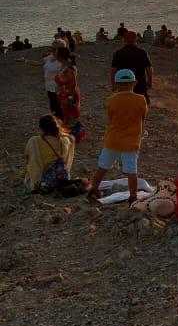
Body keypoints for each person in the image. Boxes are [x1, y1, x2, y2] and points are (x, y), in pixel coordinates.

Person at [88, 69, 148, 207]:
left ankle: (93, 189)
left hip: (112, 140)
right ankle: (133, 196)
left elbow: (110, 118)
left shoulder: (111, 100)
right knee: (131, 171)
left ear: (116, 84)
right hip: (131, 142)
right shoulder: (141, 99)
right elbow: (143, 117)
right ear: (134, 82)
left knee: (102, 167)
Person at [24, 115, 75, 192]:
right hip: (62, 178)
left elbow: (28, 158)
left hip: (43, 179)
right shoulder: (66, 140)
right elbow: (67, 160)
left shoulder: (34, 141)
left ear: (42, 128)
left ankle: (38, 184)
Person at [111, 29, 153, 104]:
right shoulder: (142, 52)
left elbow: (113, 70)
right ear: (136, 39)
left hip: (123, 83)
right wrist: (150, 81)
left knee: (124, 103)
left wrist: (113, 84)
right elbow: (149, 69)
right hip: (139, 82)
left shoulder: (118, 53)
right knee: (143, 103)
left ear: (124, 40)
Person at [53, 45, 84, 141]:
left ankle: (71, 136)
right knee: (68, 113)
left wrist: (57, 79)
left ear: (60, 56)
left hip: (69, 94)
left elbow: (69, 82)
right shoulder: (66, 65)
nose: (54, 54)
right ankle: (70, 134)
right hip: (67, 93)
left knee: (69, 114)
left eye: (56, 52)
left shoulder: (68, 68)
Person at [43, 42, 66, 118]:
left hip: (57, 87)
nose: (51, 50)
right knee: (52, 104)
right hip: (49, 85)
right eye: (51, 48)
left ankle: (62, 122)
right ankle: (56, 120)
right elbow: (41, 63)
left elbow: (66, 75)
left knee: (59, 105)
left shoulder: (63, 61)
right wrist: (25, 61)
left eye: (53, 48)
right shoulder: (50, 57)